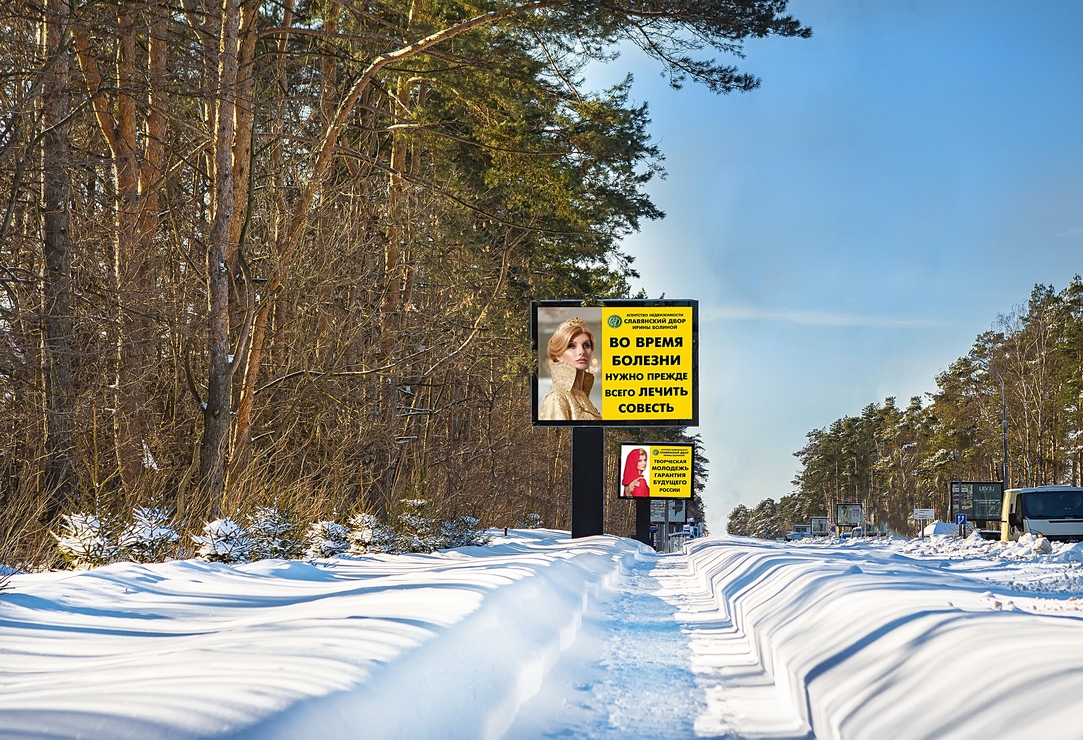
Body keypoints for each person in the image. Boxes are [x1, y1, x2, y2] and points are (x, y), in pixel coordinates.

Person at [539, 316, 601, 421]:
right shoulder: (557, 397)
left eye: (586, 345)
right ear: (558, 354)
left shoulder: (581, 395)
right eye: (572, 346)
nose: (581, 352)